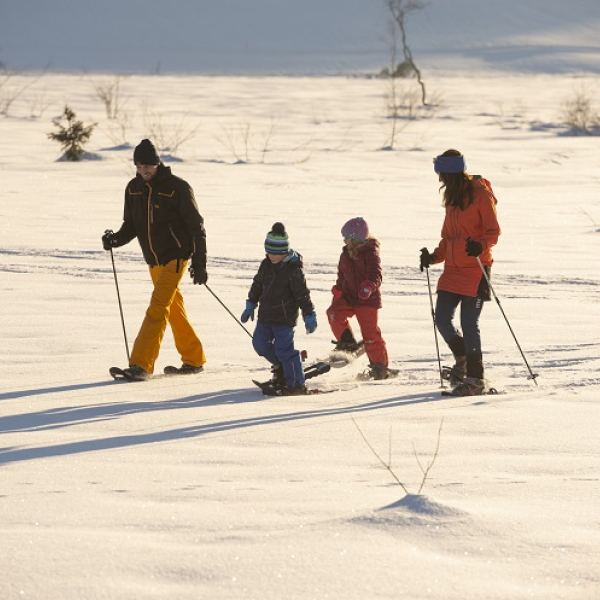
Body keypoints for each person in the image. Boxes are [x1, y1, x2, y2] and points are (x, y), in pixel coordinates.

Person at [102, 138, 207, 381]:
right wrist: (115, 240)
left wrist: (199, 263)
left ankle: (141, 364)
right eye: (139, 166)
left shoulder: (177, 188)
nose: (144, 170)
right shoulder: (133, 188)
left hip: (176, 258)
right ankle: (194, 358)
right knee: (173, 310)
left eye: (148, 165)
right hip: (153, 261)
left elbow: (197, 227)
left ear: (158, 163)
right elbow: (131, 226)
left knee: (157, 308)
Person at [420, 148, 501, 396]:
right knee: (442, 319)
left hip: (476, 269)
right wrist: (434, 257)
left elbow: (493, 231)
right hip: (452, 271)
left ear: (451, 172)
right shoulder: (453, 198)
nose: (440, 179)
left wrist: (480, 246)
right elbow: (449, 238)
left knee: (469, 322)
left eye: (442, 173)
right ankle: (462, 358)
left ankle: (475, 379)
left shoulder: (480, 194)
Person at [241, 222, 317, 395]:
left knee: (285, 351)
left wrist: (309, 314)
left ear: (284, 252)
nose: (271, 257)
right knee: (259, 344)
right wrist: (251, 303)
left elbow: (302, 295)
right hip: (265, 316)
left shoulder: (293, 270)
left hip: (284, 319)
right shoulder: (266, 264)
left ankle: (296, 383)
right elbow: (258, 284)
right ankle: (282, 368)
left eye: (276, 254)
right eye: (268, 252)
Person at [326, 217, 390, 380]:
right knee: (333, 313)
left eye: (347, 237)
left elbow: (376, 274)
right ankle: (347, 342)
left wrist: (368, 286)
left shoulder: (370, 253)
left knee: (370, 335)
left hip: (367, 299)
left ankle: (379, 368)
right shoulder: (345, 254)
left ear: (355, 239)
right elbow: (342, 275)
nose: (344, 240)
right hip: (349, 296)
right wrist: (338, 290)